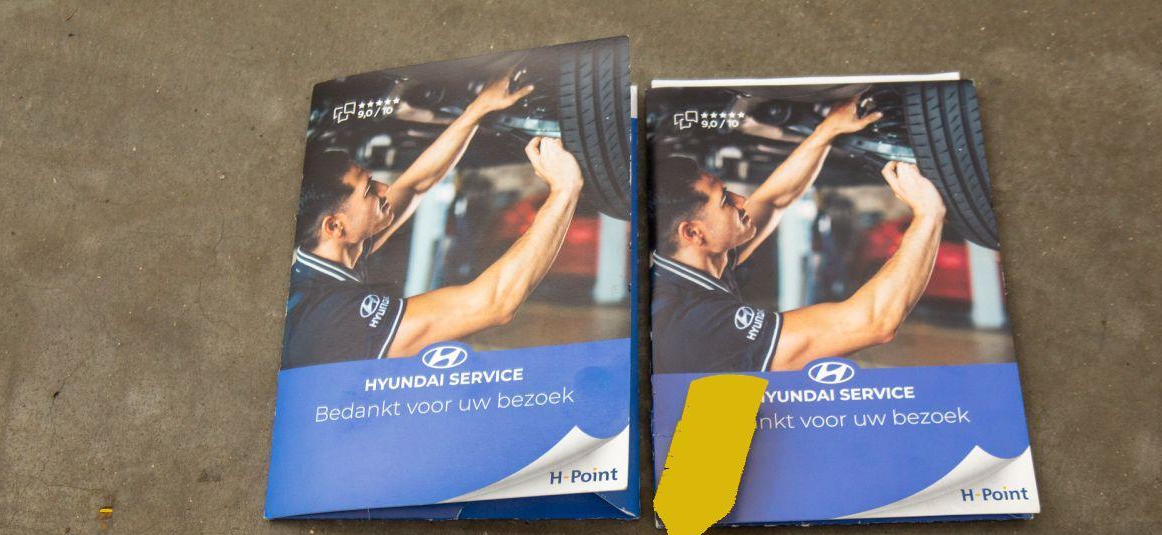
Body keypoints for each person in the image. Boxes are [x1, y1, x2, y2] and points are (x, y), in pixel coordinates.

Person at [282, 71, 583, 369]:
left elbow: (414, 185)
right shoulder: (330, 317)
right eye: (369, 190)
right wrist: (564, 190)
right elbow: (493, 304)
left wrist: (478, 109)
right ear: (335, 227)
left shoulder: (329, 254)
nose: (384, 188)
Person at [648, 96, 946, 374]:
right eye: (725, 200)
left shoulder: (691, 261)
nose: (742, 200)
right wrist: (929, 214)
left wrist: (827, 130)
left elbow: (773, 200)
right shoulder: (693, 322)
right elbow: (873, 323)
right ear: (693, 232)